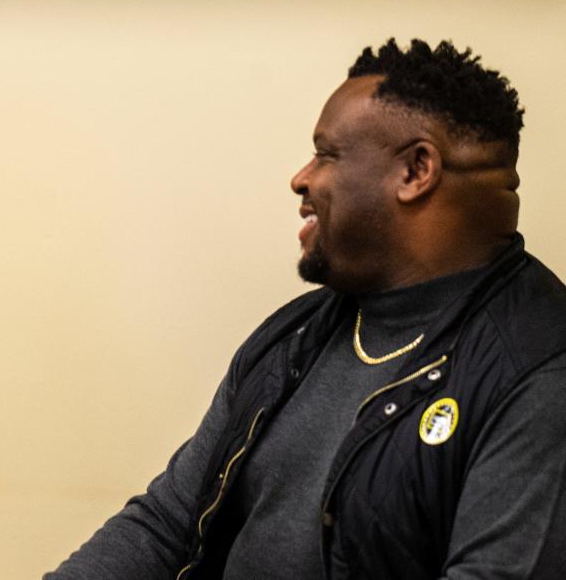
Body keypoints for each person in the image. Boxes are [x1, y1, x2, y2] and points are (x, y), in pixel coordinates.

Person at [46, 39, 566, 579]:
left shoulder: (538, 371)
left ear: (416, 171)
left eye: (327, 154)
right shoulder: (294, 336)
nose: (302, 177)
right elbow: (165, 524)